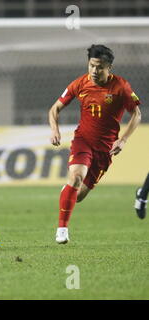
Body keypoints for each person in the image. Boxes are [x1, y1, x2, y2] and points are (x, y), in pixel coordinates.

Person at [48, 44, 142, 244]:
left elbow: (136, 114)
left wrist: (123, 139)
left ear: (109, 68)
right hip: (83, 141)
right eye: (91, 65)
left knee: (78, 195)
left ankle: (67, 194)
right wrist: (54, 129)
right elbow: (54, 109)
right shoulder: (80, 83)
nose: (94, 71)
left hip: (105, 150)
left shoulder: (120, 87)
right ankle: (62, 230)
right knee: (76, 177)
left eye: (100, 67)